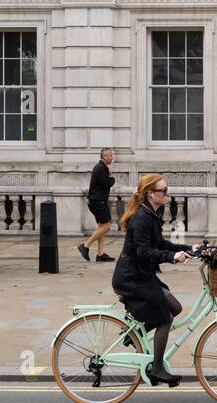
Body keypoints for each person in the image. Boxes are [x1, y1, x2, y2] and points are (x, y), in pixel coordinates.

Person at [111, 173, 192, 387]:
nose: (167, 194)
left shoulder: (151, 214)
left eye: (167, 189)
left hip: (142, 275)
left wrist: (189, 249)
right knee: (165, 317)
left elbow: (161, 243)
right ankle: (157, 369)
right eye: (163, 190)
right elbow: (145, 251)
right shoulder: (141, 218)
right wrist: (171, 257)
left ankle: (134, 335)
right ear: (150, 194)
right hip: (131, 279)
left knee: (175, 306)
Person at [78, 148, 115, 262]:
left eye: (112, 155)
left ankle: (100, 254)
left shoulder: (102, 168)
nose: (112, 158)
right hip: (97, 201)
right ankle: (85, 246)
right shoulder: (100, 168)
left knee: (102, 227)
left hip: (97, 201)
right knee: (107, 226)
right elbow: (106, 184)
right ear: (105, 157)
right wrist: (111, 178)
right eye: (110, 156)